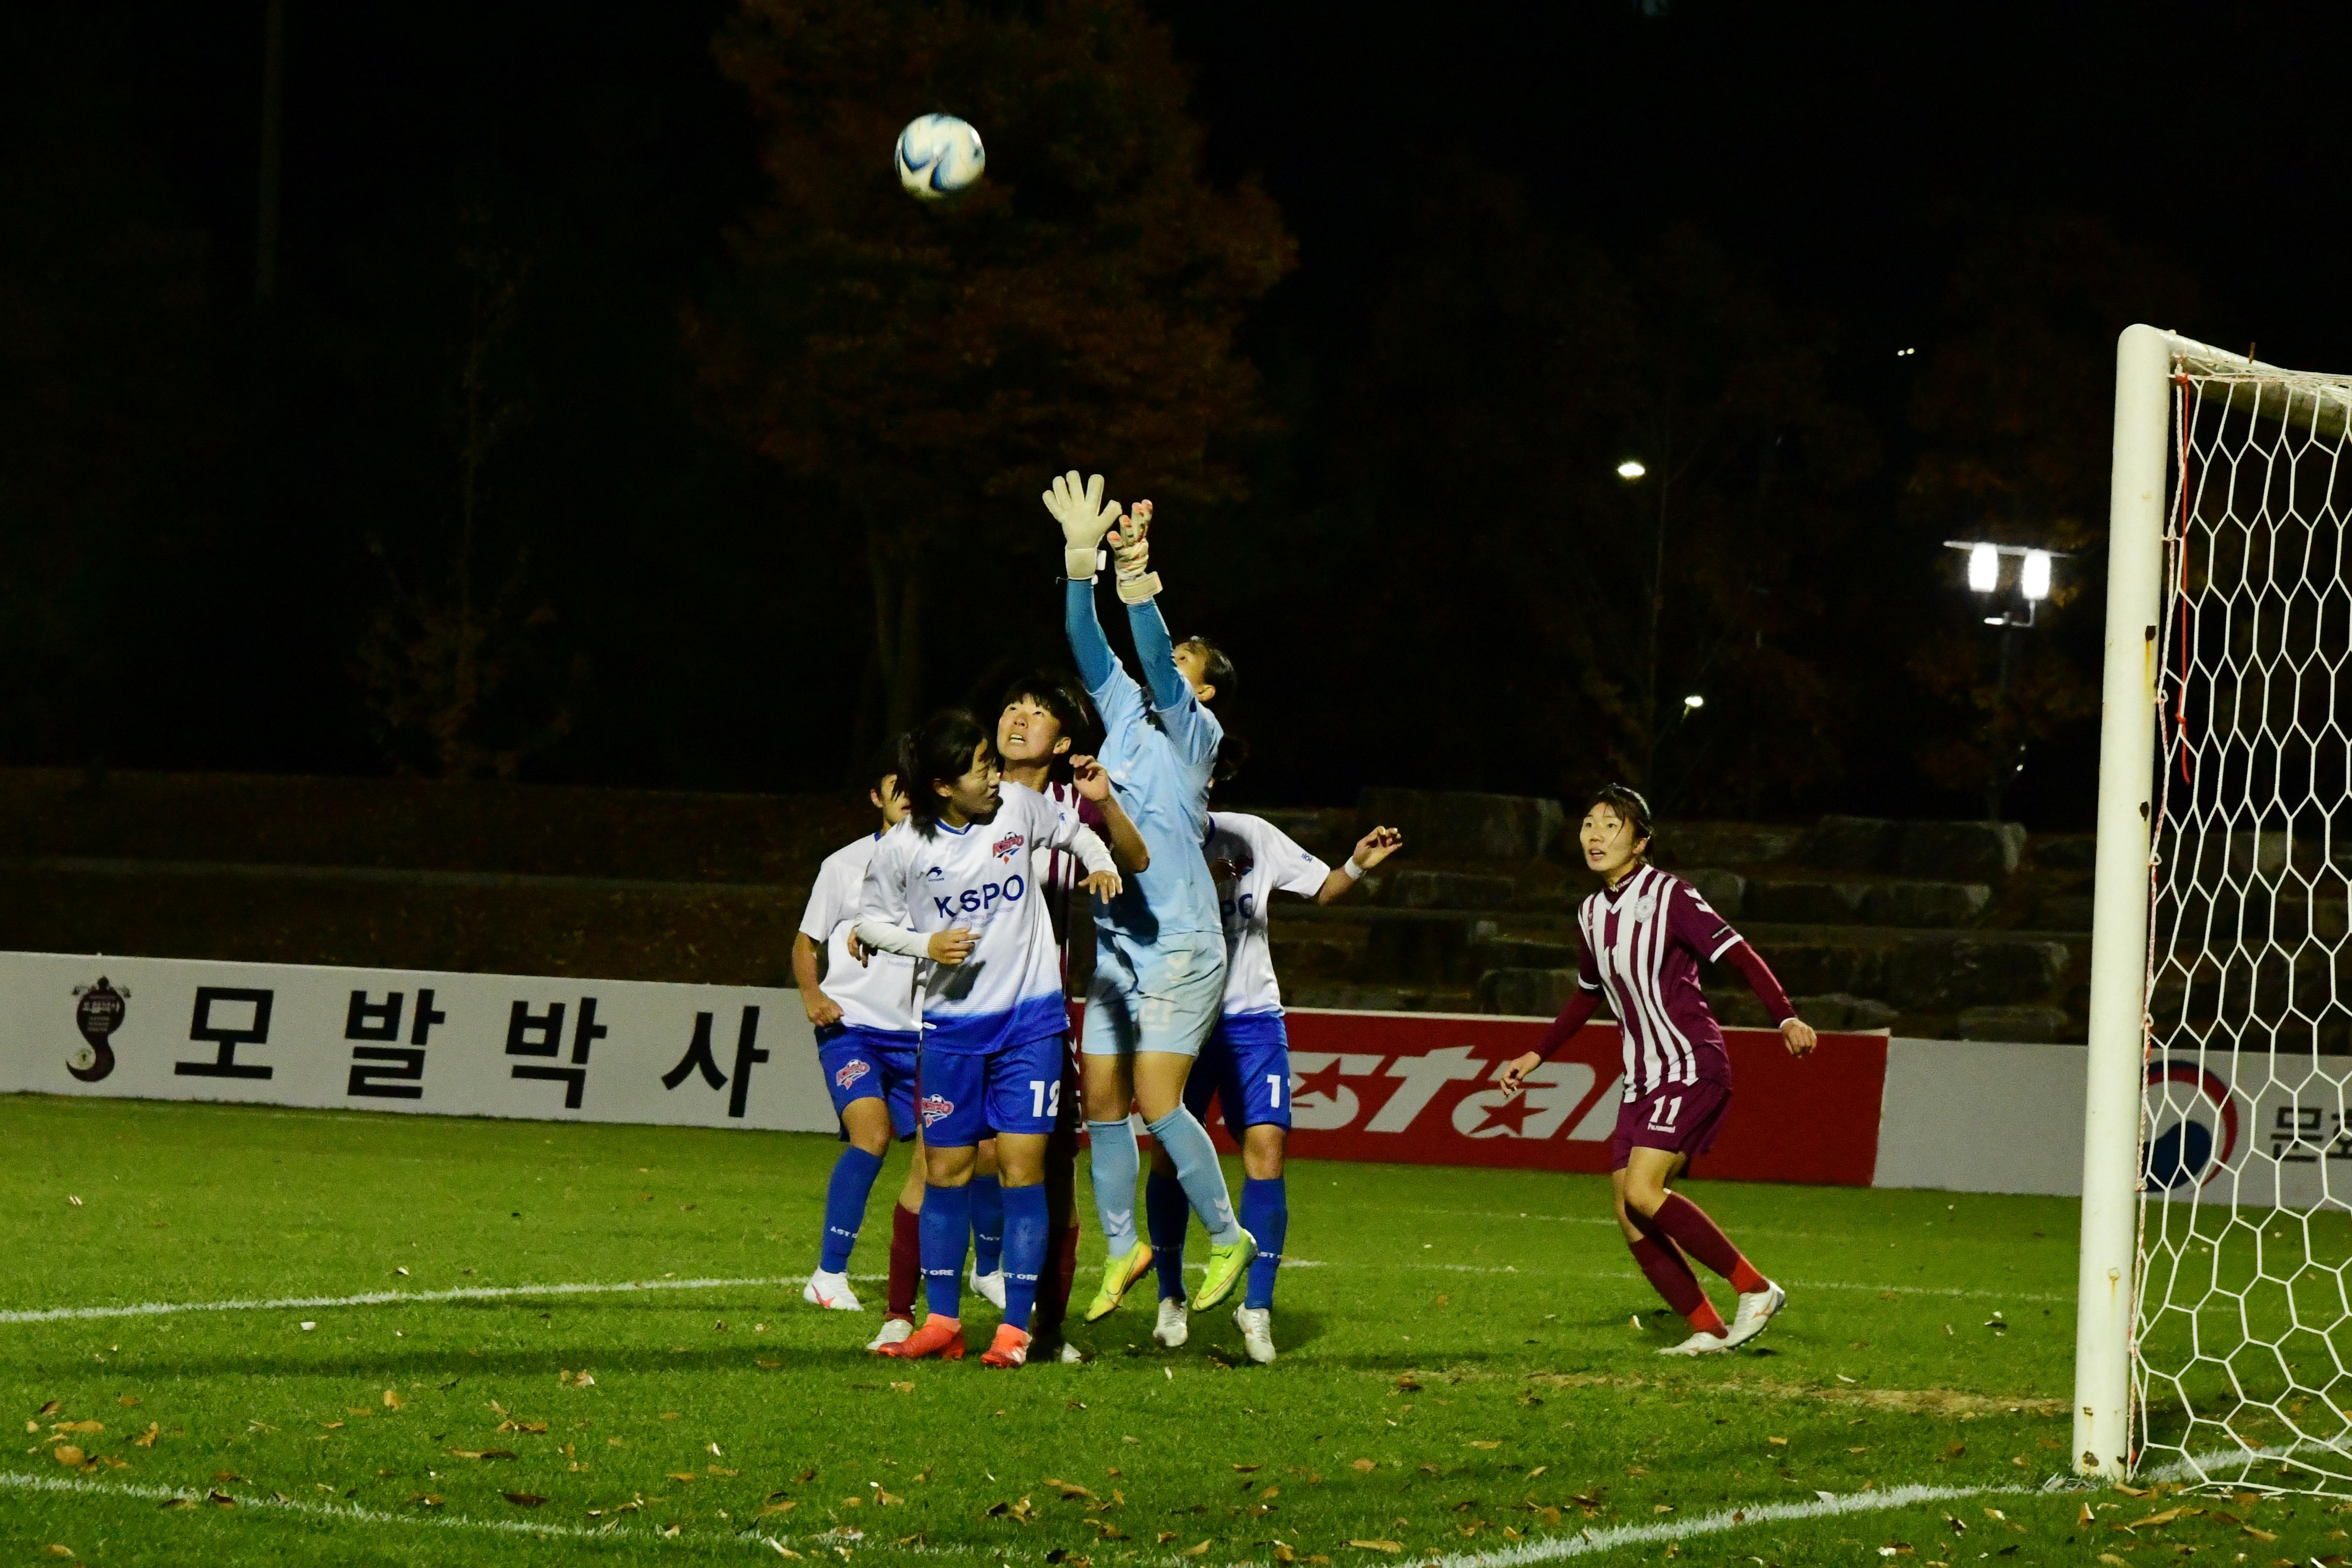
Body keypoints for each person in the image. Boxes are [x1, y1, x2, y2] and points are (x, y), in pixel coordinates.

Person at [1497, 784, 1816, 1356]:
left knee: (1645, 1191)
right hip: (1642, 1078)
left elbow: (1739, 953)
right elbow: (1586, 995)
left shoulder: (1671, 896)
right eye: (1590, 823)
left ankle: (1757, 1288)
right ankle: (1708, 1329)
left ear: (1641, 841)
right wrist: (1537, 1053)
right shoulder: (1591, 913)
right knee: (1627, 1206)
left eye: (1611, 825)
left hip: (1690, 1061)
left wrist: (1785, 1018)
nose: (1595, 835)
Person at [1044, 472, 1254, 1320]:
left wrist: (1138, 568)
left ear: (1203, 689)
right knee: (1101, 1100)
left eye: (1181, 664)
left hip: (1182, 940)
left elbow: (1146, 633)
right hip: (1118, 940)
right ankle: (1123, 1244)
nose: (1165, 666)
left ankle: (1226, 1232)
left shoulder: (1196, 729)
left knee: (1158, 1099)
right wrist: (1082, 558)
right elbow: (1082, 633)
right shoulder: (1124, 713)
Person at [852, 709, 1122, 1367]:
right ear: (945, 787)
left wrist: (1102, 861)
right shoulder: (904, 848)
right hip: (950, 1032)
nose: (995, 774)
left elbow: (1076, 836)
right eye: (981, 766)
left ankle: (1014, 1329)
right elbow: (868, 924)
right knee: (946, 1173)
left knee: (1024, 1173)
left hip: (1031, 1027)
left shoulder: (1019, 809)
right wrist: (927, 944)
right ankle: (943, 1321)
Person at [1147, 812, 1403, 1362]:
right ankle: (1171, 1297)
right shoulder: (1144, 837)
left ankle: (1256, 1309)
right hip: (1180, 1021)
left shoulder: (1251, 835)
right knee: (1170, 1157)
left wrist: (1358, 864)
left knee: (1268, 1147)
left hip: (1253, 1021)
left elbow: (1324, 888)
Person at [794, 751, 920, 1314]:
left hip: (918, 1037)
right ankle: (828, 1274)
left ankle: (986, 1272)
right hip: (852, 1029)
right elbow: (805, 942)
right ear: (877, 797)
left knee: (965, 1154)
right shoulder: (844, 865)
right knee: (870, 1133)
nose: (907, 795)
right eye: (896, 787)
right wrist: (813, 995)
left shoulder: (944, 866)